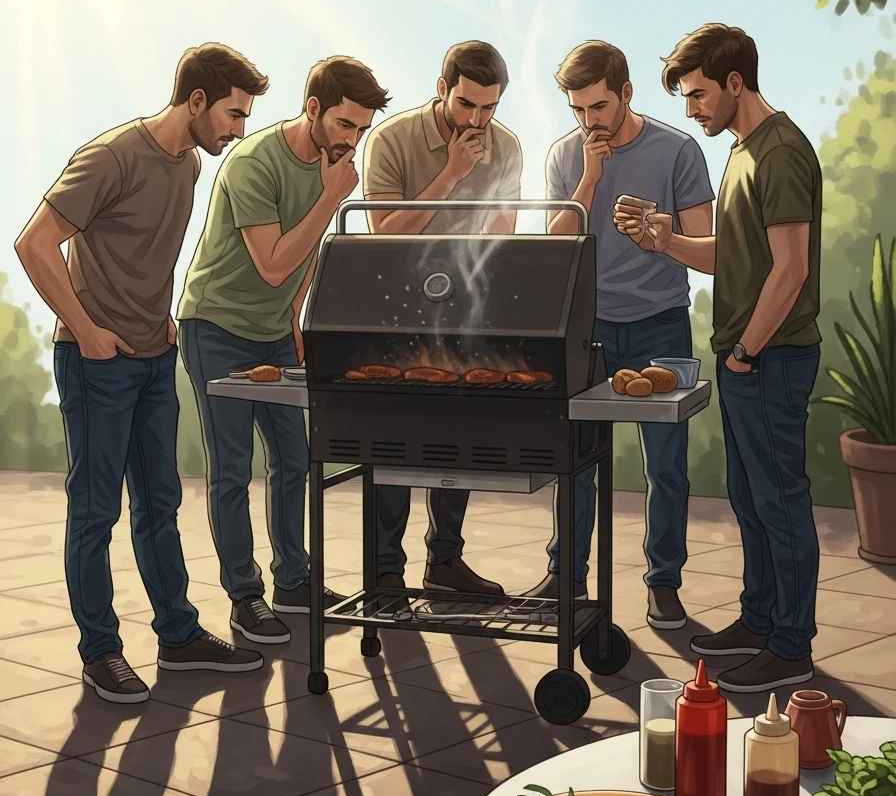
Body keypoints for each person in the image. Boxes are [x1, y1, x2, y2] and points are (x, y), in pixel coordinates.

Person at [14, 43, 270, 704]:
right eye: (234, 114)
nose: (239, 129)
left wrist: (162, 319)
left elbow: (146, 252)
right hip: (96, 363)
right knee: (95, 509)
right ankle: (101, 651)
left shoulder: (188, 164)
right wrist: (87, 329)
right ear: (196, 100)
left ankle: (178, 638)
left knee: (160, 504)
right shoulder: (111, 157)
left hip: (155, 359)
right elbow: (34, 244)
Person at [615, 22, 821, 694]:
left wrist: (745, 355)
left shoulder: (780, 153)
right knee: (751, 499)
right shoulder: (742, 151)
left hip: (771, 357)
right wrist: (663, 241)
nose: (691, 109)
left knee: (780, 502)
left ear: (736, 82)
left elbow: (791, 269)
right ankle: (759, 621)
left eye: (699, 94)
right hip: (748, 356)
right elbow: (731, 257)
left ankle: (790, 646)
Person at [178, 56, 390, 644]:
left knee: (294, 458)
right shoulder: (254, 162)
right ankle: (244, 598)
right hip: (216, 325)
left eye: (362, 129)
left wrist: (295, 315)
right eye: (345, 125)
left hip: (274, 331)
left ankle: (293, 581)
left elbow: (306, 256)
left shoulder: (329, 164)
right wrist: (331, 197)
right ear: (314, 109)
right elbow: (272, 264)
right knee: (231, 469)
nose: (352, 141)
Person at [525, 40, 714, 629]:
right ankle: (566, 575)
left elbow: (708, 247)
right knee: (576, 461)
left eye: (599, 106)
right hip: (590, 328)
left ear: (626, 93)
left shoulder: (677, 150)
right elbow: (555, 247)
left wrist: (660, 235)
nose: (590, 121)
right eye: (579, 110)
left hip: (662, 322)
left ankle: (664, 582)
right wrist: (589, 178)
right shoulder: (566, 155)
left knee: (667, 465)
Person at [363, 40, 522, 596]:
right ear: (442, 89)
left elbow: (503, 234)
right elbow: (383, 232)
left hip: (466, 310)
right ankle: (385, 570)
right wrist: (451, 176)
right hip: (396, 309)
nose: (477, 120)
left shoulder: (506, 146)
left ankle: (444, 561)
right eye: (466, 104)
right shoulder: (392, 139)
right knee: (393, 443)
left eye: (489, 108)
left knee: (459, 439)